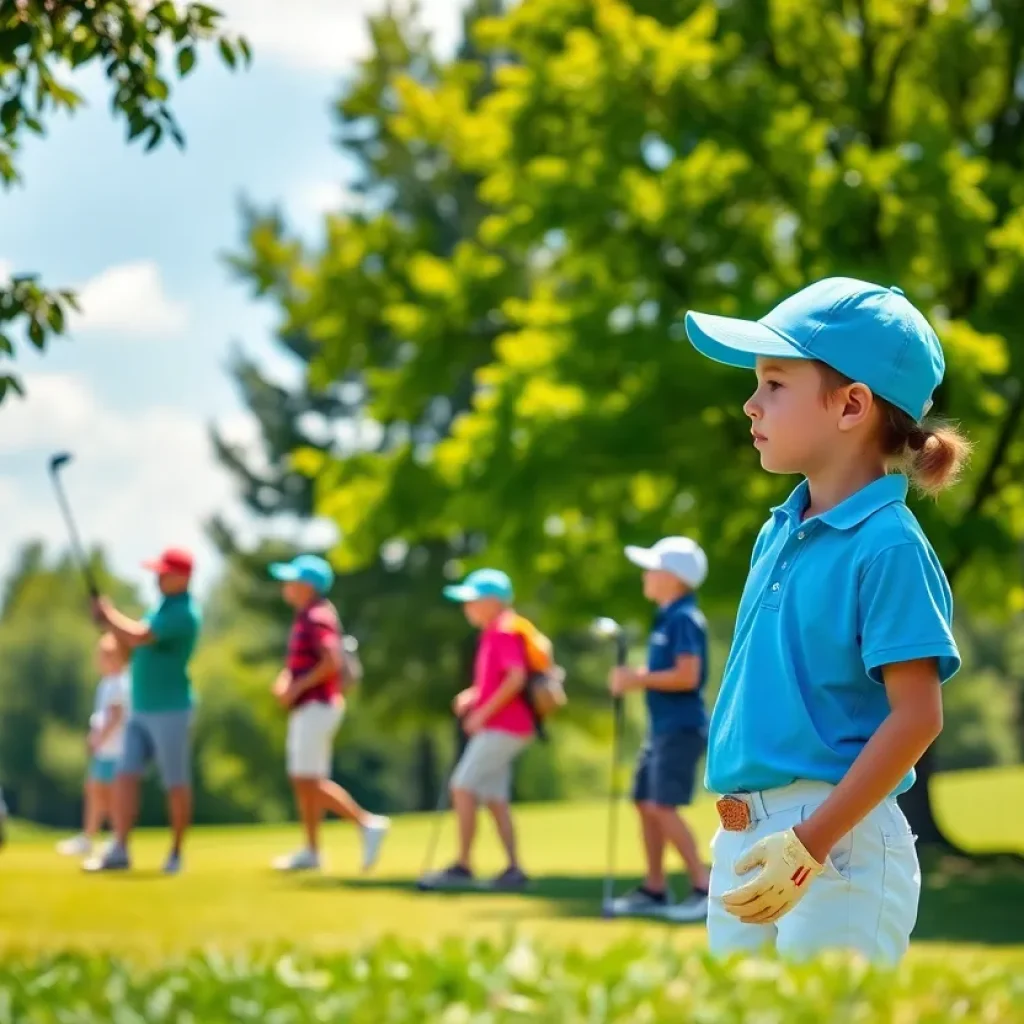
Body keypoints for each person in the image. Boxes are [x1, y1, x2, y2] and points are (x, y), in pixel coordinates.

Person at [684, 277, 967, 963]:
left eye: (775, 384)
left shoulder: (889, 544)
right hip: (744, 837)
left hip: (838, 845)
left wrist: (810, 843)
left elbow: (917, 717)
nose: (750, 404)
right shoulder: (776, 531)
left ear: (851, 406)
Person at [608, 536, 712, 922]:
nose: (645, 576)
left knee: (660, 806)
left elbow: (688, 676)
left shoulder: (684, 619)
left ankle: (704, 887)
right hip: (663, 728)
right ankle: (655, 889)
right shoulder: (667, 617)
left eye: (652, 569)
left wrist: (637, 678)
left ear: (672, 578)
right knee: (644, 801)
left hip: (681, 728)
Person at [269, 554, 389, 873]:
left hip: (316, 706)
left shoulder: (316, 616)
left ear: (307, 585)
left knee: (306, 779)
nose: (286, 585)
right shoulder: (307, 614)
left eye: (292, 579)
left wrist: (296, 688)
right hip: (312, 707)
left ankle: (366, 824)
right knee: (305, 780)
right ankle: (311, 850)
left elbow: (331, 660)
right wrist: (286, 682)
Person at [85, 547, 202, 875]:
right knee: (124, 775)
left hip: (172, 708)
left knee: (175, 782)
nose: (158, 577)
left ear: (183, 577)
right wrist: (108, 624)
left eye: (165, 572)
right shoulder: (161, 607)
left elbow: (141, 635)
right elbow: (130, 640)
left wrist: (109, 615)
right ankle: (120, 848)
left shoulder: (184, 613)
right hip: (141, 707)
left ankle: (177, 852)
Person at [420, 569, 534, 891]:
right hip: (505, 726)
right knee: (495, 797)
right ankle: (514, 869)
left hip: (503, 727)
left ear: (493, 602)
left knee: (462, 786)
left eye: (473, 600)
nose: (467, 607)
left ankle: (463, 865)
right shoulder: (495, 631)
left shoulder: (502, 631)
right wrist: (474, 696)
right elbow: (501, 679)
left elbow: (515, 678)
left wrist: (482, 713)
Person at [57, 632, 130, 858]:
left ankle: (116, 838)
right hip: (105, 750)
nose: (99, 660)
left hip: (115, 751)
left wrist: (98, 739)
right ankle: (92, 835)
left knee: (111, 796)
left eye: (103, 656)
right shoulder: (107, 683)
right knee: (96, 790)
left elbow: (115, 716)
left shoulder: (119, 683)